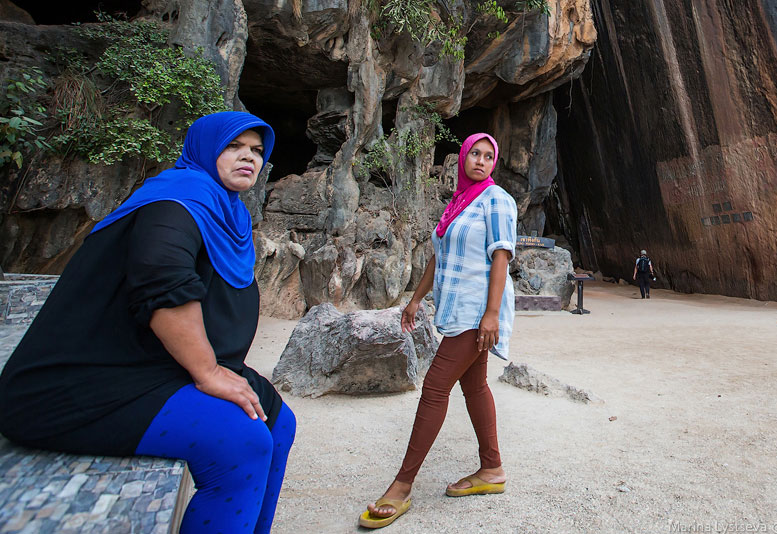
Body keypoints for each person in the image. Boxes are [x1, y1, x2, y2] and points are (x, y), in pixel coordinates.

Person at [0, 112, 295, 534]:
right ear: (205, 149)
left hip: (152, 367)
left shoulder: (226, 213)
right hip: (81, 381)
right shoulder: (176, 199)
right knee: (240, 443)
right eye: (233, 146)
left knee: (278, 422)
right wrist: (208, 371)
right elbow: (164, 281)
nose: (248, 156)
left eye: (257, 150)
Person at [359, 133, 517, 529]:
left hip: (475, 309)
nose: (480, 161)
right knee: (474, 386)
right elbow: (439, 254)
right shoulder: (459, 204)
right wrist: (416, 299)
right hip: (456, 306)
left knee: (434, 388)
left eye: (488, 156)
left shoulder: (496, 199)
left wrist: (492, 314)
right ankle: (492, 469)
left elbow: (502, 255)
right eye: (474, 154)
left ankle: (401, 485)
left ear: (493, 163)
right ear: (463, 158)